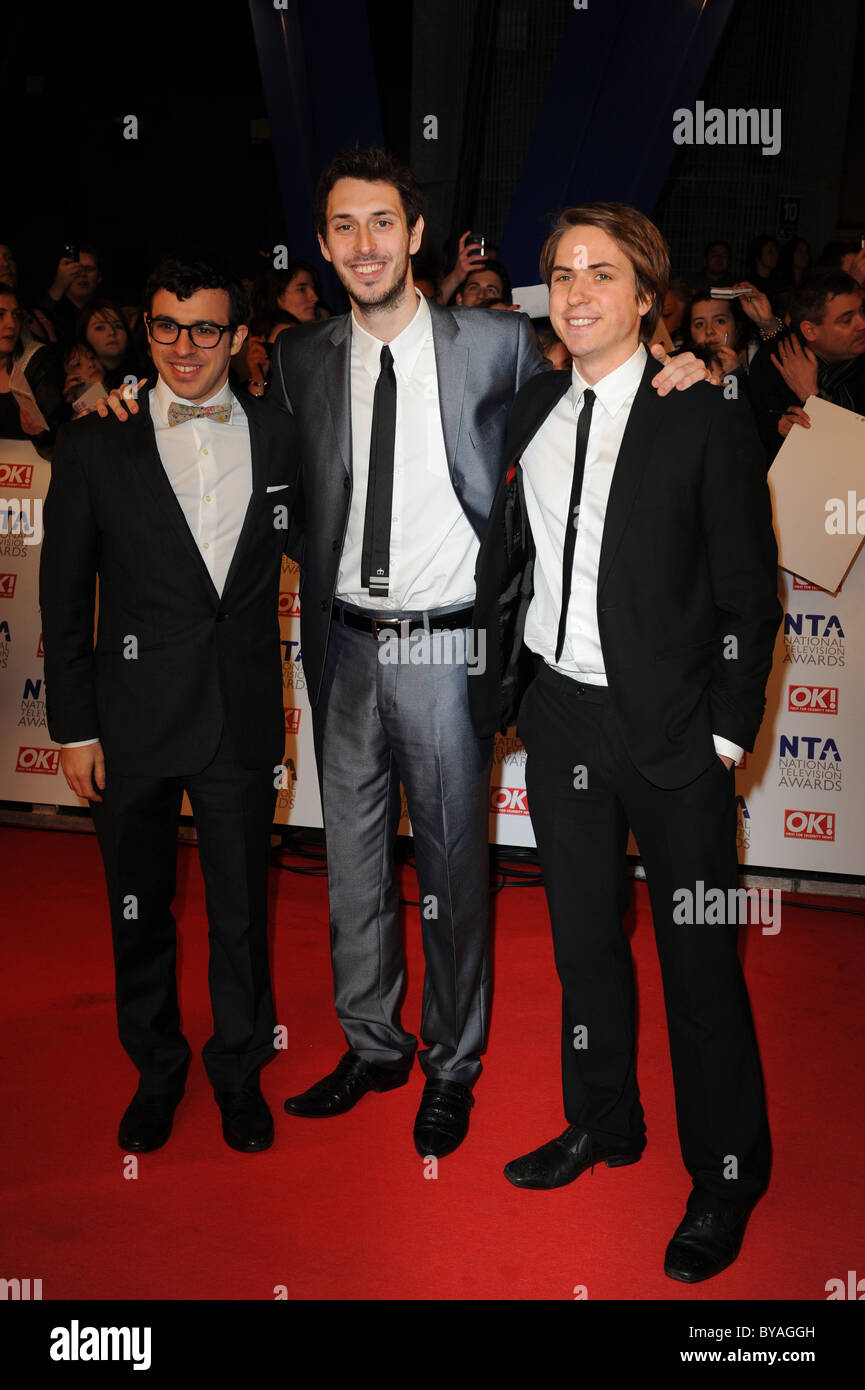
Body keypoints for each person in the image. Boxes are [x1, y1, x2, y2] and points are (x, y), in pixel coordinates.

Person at [264, 147, 707, 1159]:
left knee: (454, 874)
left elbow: (606, 385)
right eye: (343, 227)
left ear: (414, 235)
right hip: (340, 645)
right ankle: (370, 1044)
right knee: (354, 869)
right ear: (325, 244)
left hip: (448, 644)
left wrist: (688, 367)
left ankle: (447, 1065)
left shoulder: (500, 346)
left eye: (383, 223)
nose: (364, 245)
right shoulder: (299, 359)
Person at [469, 201, 781, 1282]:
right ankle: (603, 1122)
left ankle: (727, 1175)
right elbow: (509, 558)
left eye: (602, 274)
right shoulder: (532, 409)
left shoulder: (700, 413)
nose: (578, 291)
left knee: (700, 963)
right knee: (581, 946)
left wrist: (725, 739)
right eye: (561, 274)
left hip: (675, 729)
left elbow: (749, 592)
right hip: (560, 713)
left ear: (647, 297)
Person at [39, 253, 299, 1156]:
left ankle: (237, 1071)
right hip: (130, 722)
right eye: (164, 326)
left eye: (204, 329)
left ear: (237, 336)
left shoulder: (278, 435)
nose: (184, 348)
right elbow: (64, 597)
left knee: (239, 912)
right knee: (139, 909)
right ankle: (156, 1068)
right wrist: (73, 726)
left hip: (238, 720)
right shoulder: (94, 440)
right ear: (145, 330)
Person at [746, 269, 865, 460]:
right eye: (847, 320)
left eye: (862, 311)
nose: (862, 324)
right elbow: (753, 438)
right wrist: (780, 429)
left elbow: (856, 453)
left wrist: (811, 396)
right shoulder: (775, 364)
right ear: (810, 331)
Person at [0, 282, 68, 441]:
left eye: (16, 315)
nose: (11, 324)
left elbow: (58, 435)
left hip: (33, 463)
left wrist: (39, 433)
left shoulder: (38, 363)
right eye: (0, 315)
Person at [77, 300, 142, 390]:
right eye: (100, 328)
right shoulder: (81, 375)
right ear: (84, 335)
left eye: (118, 326)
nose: (112, 332)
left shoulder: (140, 375)